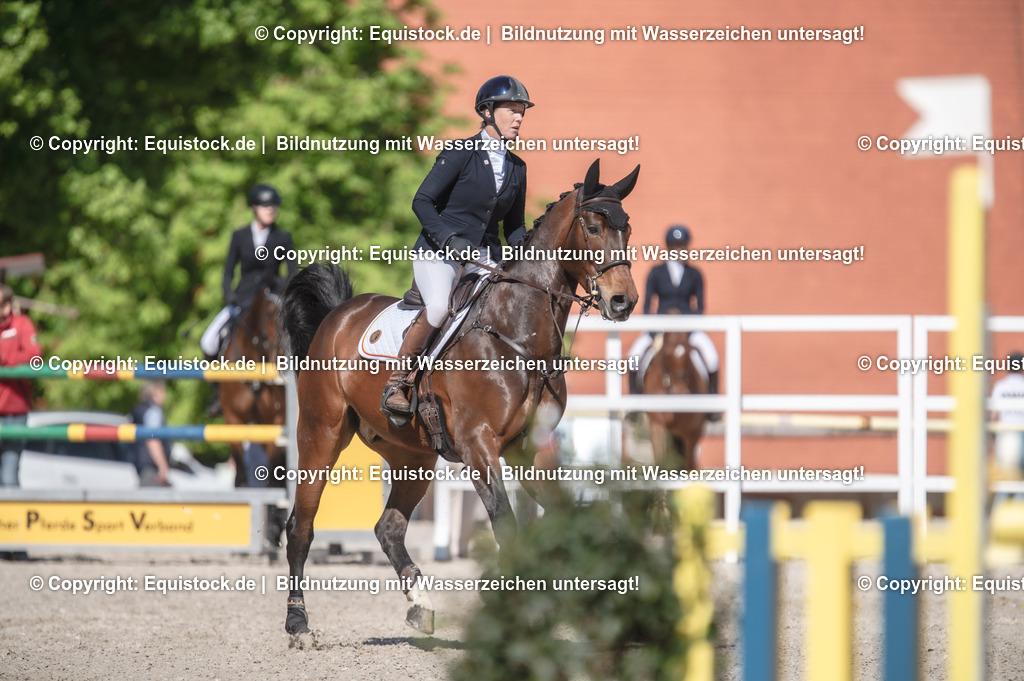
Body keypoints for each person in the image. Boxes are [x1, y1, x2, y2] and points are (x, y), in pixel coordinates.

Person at [381, 75, 532, 421]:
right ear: (488, 111)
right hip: (439, 252)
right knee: (438, 307)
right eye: (512, 109)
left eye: (522, 111)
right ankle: (398, 382)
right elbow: (422, 202)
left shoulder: (517, 168)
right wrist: (451, 240)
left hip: (485, 258)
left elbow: (514, 227)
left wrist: (529, 253)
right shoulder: (461, 152)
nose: (519, 117)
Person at [201, 183, 296, 416]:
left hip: (272, 300)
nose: (270, 209)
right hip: (242, 300)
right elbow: (227, 272)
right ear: (254, 207)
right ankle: (217, 391)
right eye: (265, 205)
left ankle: (293, 395)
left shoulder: (283, 237)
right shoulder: (240, 236)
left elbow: (292, 271)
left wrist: (283, 291)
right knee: (208, 341)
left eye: (273, 206)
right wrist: (228, 293)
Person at [628, 226, 720, 405]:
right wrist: (653, 330)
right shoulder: (656, 272)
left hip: (687, 328)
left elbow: (700, 307)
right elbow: (647, 305)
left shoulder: (695, 274)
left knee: (711, 357)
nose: (680, 250)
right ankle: (635, 405)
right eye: (675, 246)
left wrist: (689, 328)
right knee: (635, 355)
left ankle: (713, 406)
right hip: (661, 327)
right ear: (668, 247)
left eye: (683, 245)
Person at [0, 284, 42, 487]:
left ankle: (10, 519)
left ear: (6, 307)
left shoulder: (21, 324)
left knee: (8, 476)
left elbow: (34, 355)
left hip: (14, 413)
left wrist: (5, 359)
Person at [131, 380, 172, 487]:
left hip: (141, 465)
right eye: (163, 392)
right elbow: (152, 439)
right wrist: (162, 466)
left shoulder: (138, 409)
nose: (165, 396)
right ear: (156, 392)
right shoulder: (153, 411)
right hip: (152, 467)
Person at [991, 352, 1024, 483]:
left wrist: (994, 437)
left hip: (1005, 433)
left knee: (1004, 479)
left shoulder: (1000, 387)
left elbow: (994, 416)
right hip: (1022, 431)